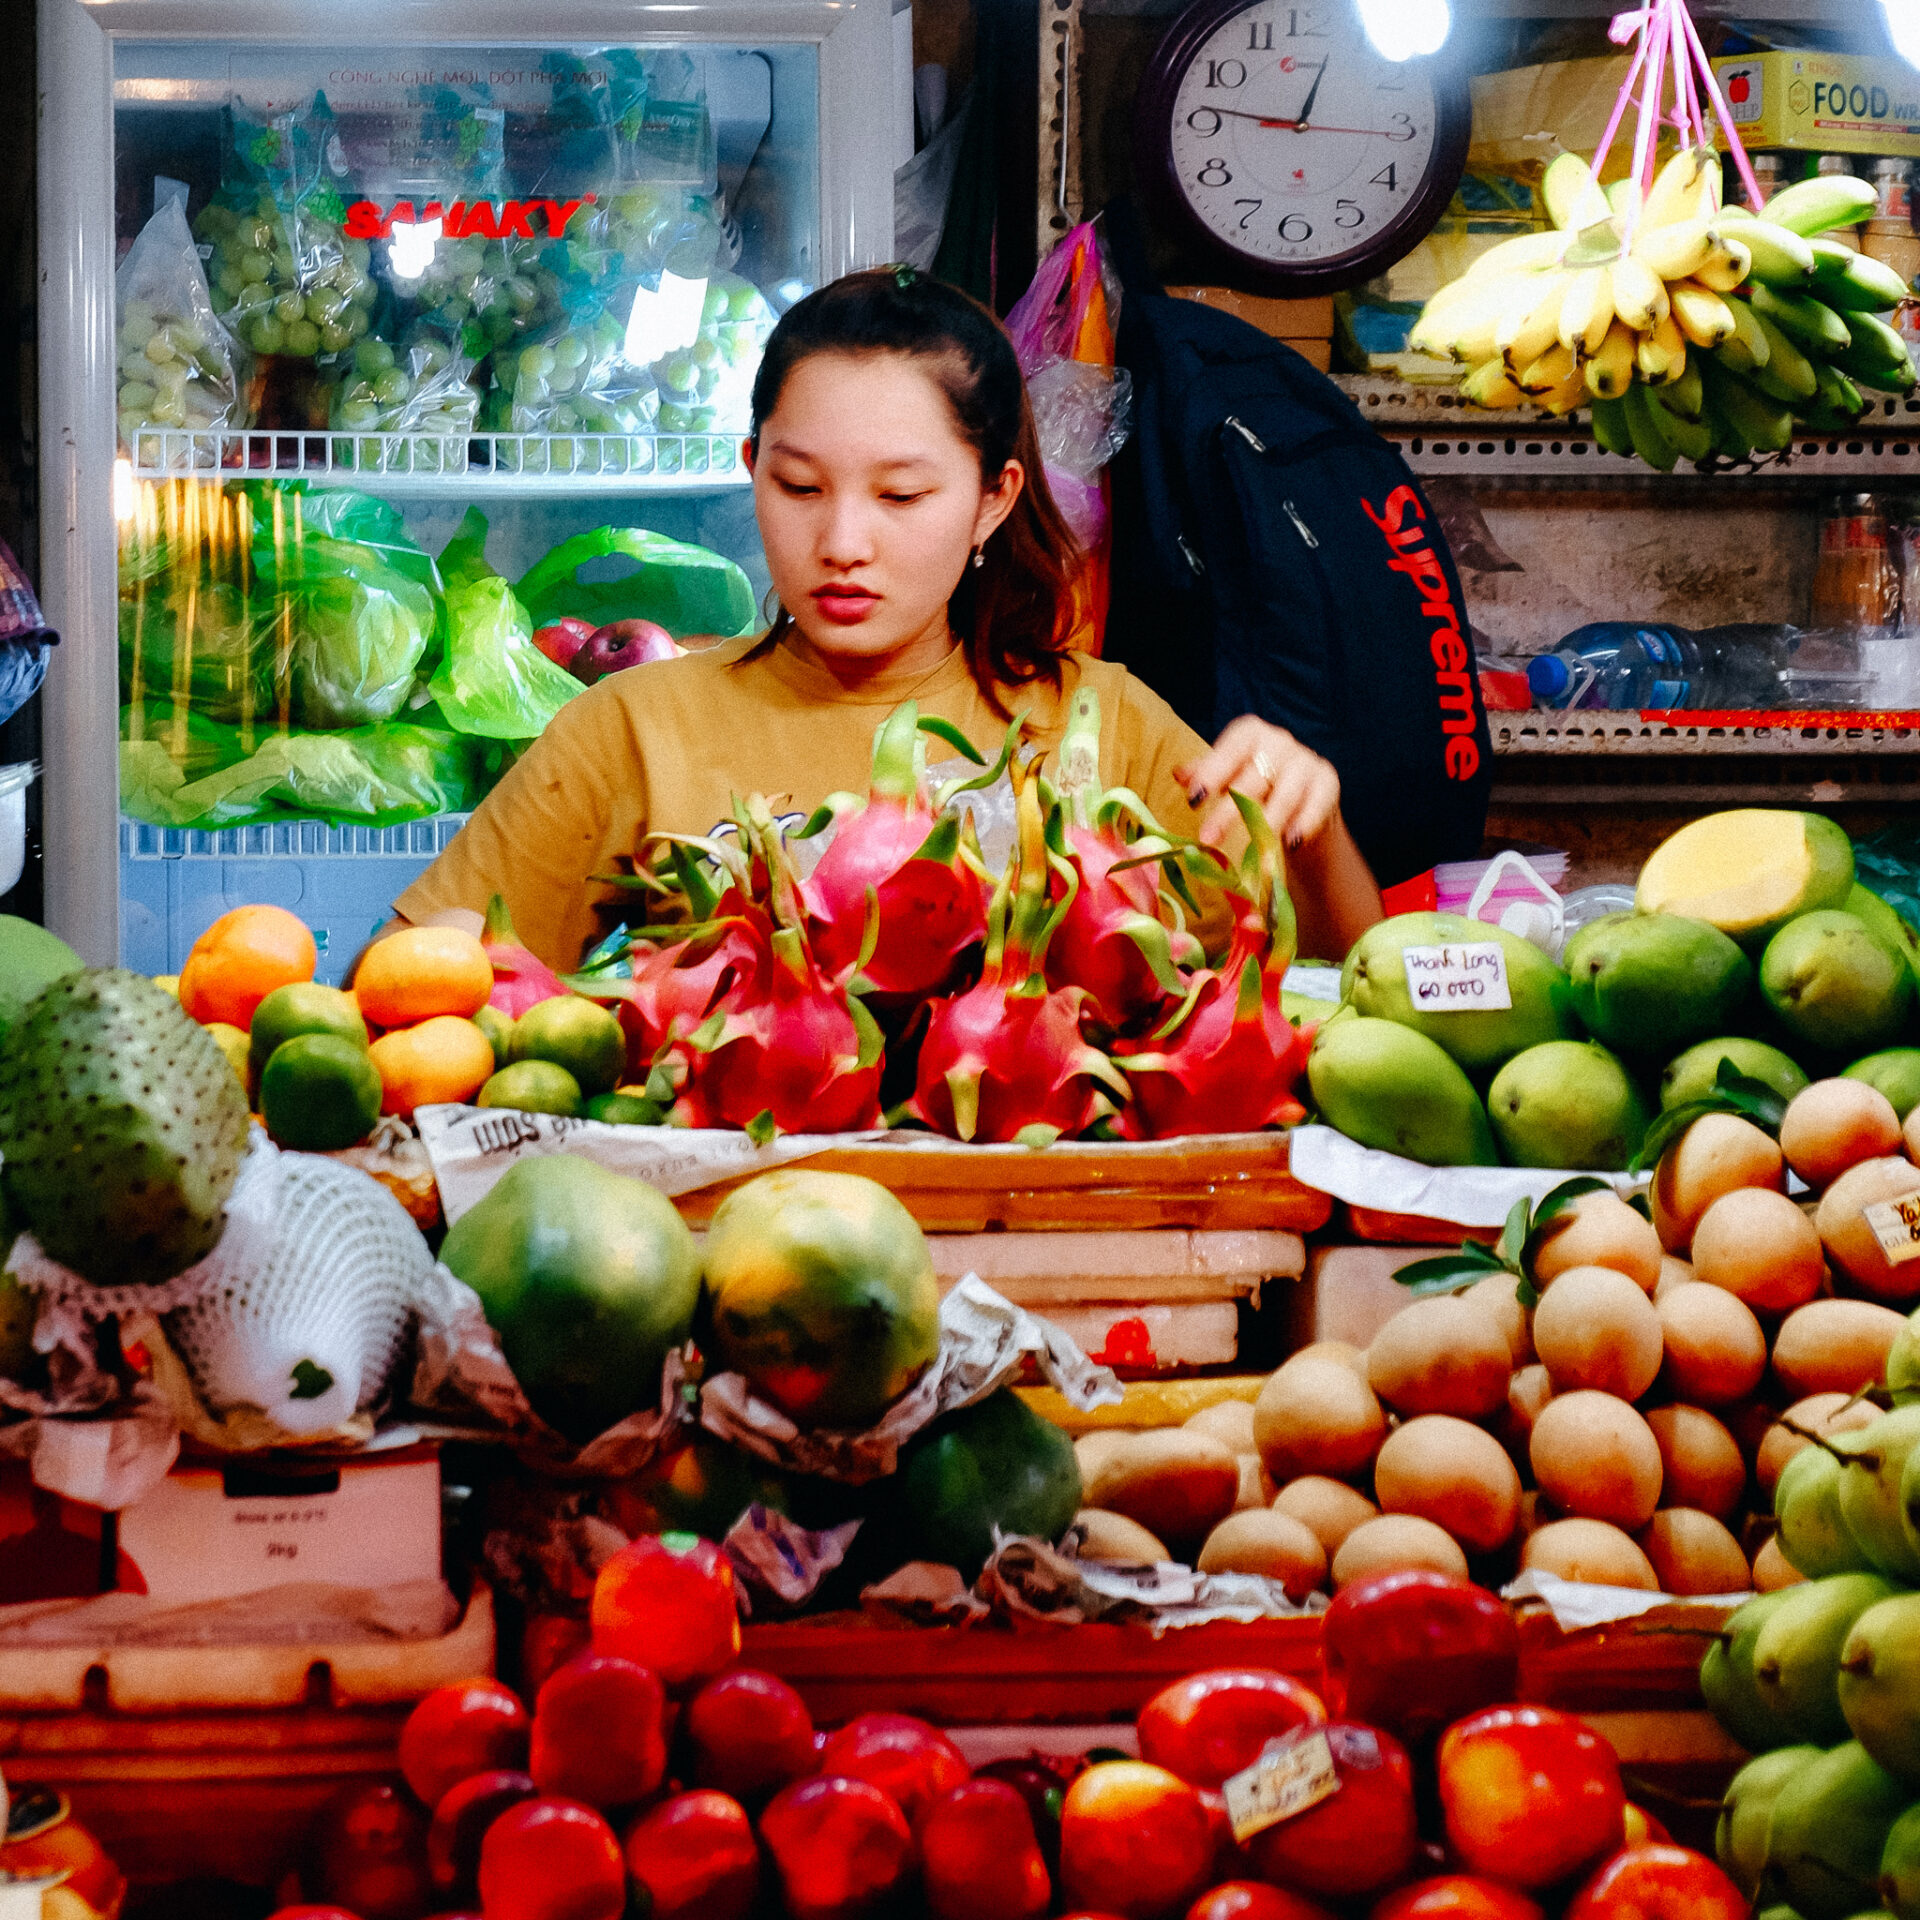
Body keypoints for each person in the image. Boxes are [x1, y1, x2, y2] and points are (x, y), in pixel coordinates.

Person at [391, 267, 1383, 969]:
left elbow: (1344, 1002)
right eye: (799, 486)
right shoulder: (632, 729)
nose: (842, 542)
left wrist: (1315, 833)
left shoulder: (1105, 729)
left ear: (993, 498)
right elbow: (414, 980)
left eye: (901, 497)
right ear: (753, 475)